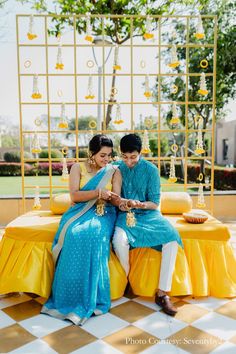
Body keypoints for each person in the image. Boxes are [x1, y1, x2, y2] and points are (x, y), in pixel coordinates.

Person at [41, 134, 120, 325]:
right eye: (102, 155)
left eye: (109, 155)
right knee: (74, 234)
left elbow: (116, 197)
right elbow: (75, 196)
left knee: (92, 235)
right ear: (92, 153)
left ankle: (89, 295)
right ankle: (67, 295)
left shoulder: (114, 171)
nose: (106, 159)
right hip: (78, 211)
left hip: (104, 212)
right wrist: (98, 192)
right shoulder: (78, 167)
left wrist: (115, 199)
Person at [112, 134, 183, 316]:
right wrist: (125, 204)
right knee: (119, 240)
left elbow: (154, 202)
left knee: (172, 238)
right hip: (126, 215)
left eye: (133, 157)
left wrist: (140, 204)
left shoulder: (151, 170)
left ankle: (162, 293)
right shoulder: (117, 169)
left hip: (149, 214)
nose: (128, 161)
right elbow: (116, 197)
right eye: (125, 157)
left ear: (140, 152)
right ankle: (125, 279)